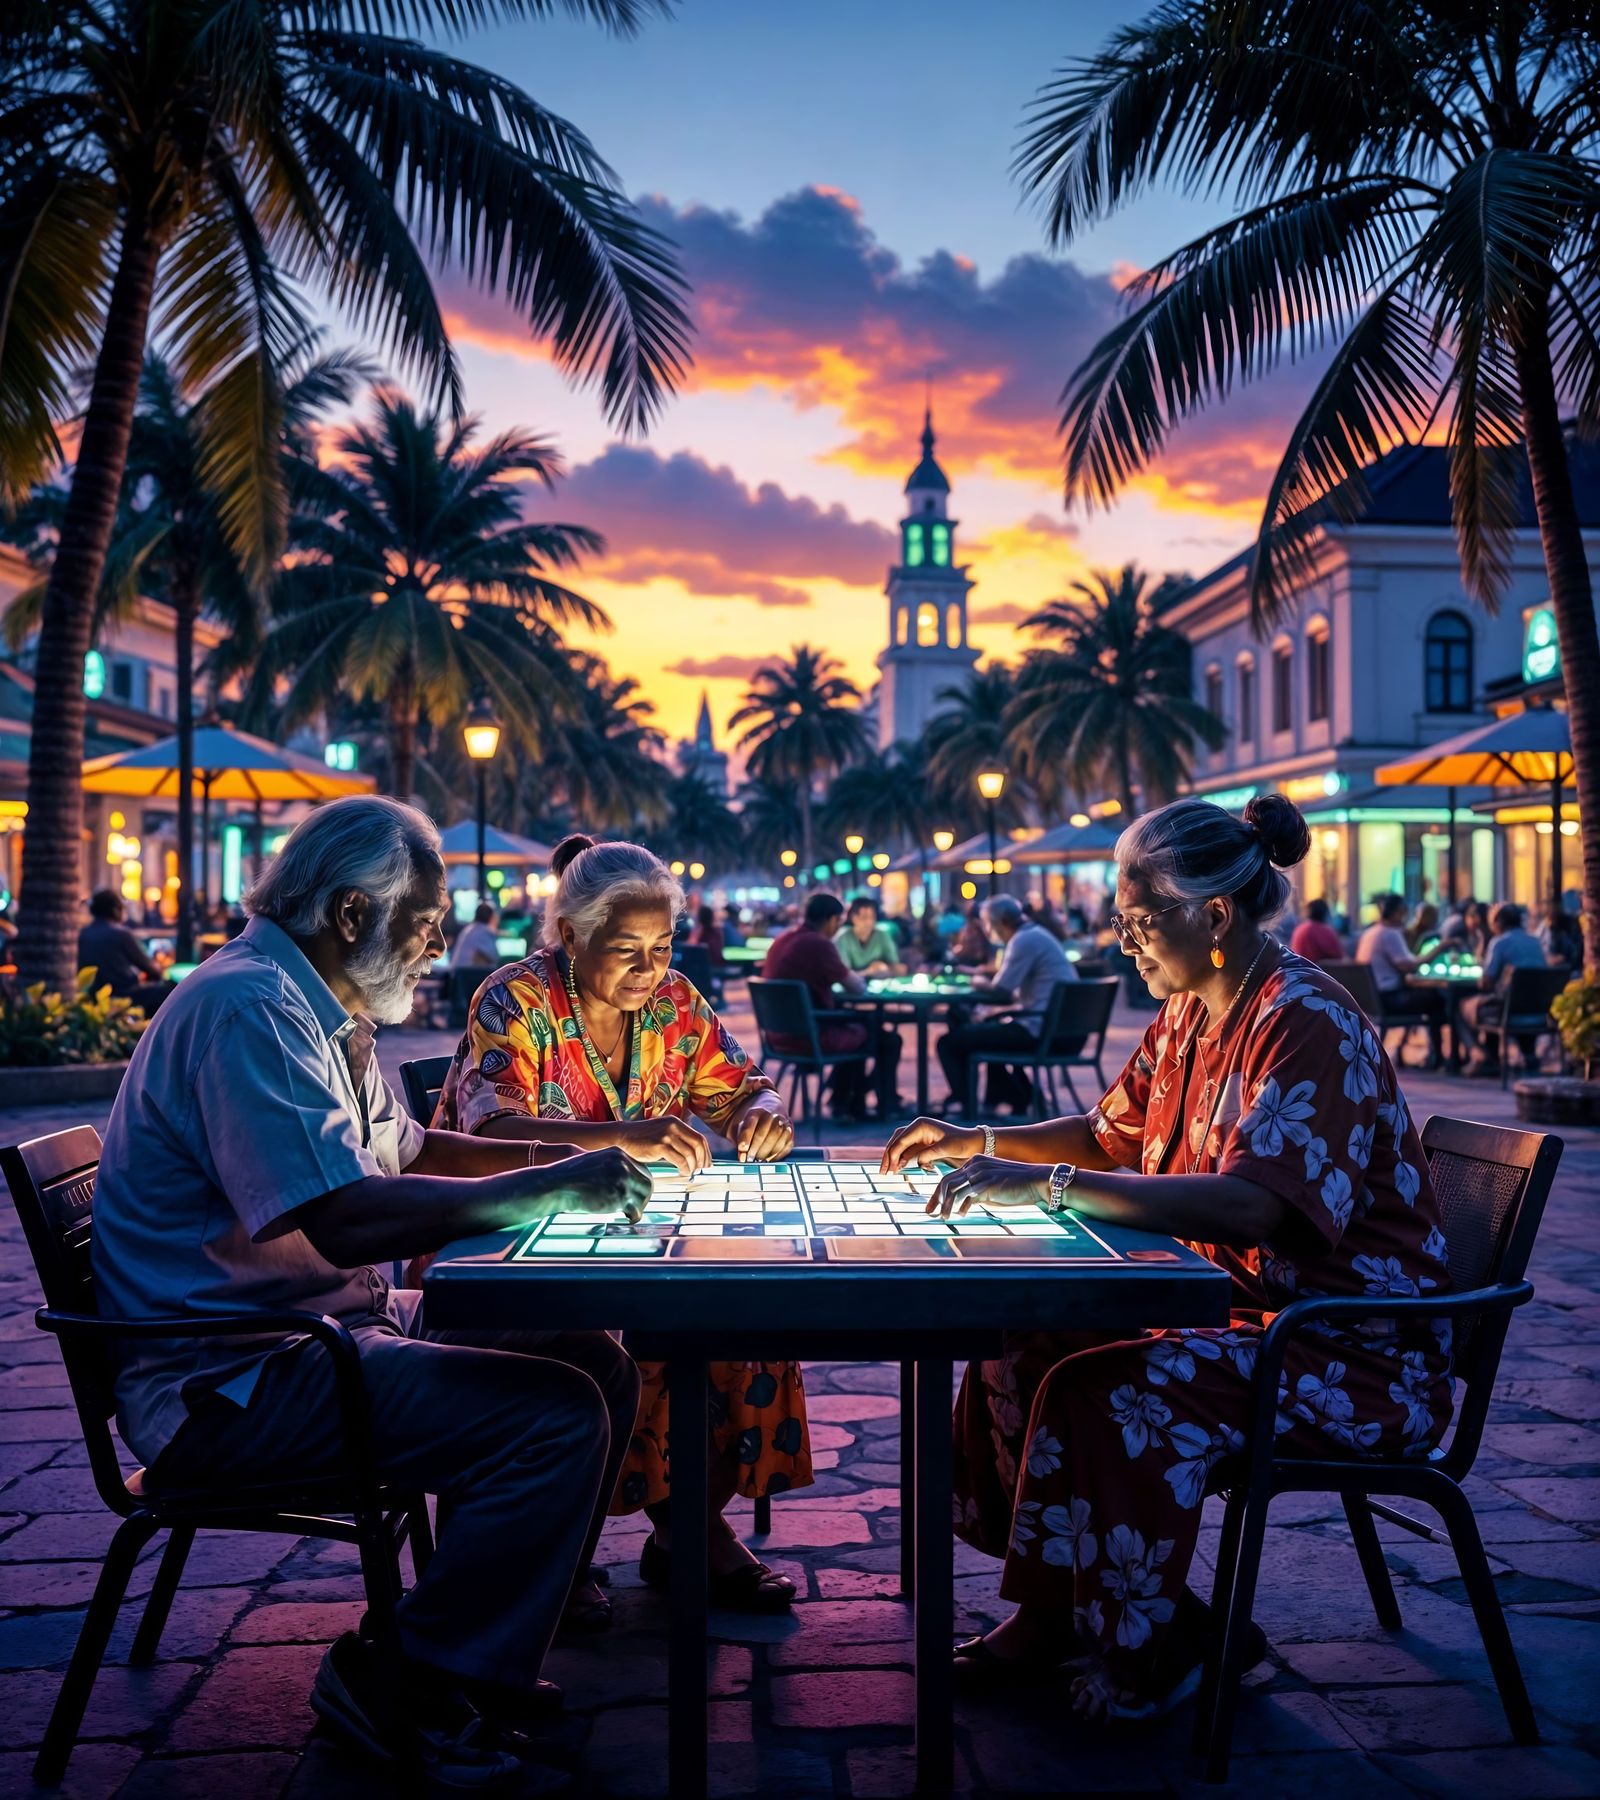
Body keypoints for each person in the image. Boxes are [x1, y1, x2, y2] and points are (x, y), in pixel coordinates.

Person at [91, 796, 650, 1789]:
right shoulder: (250, 1007)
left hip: (312, 1342)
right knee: (553, 1417)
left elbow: (413, 1149)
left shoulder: (318, 1001)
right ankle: (403, 1681)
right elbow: (344, 1216)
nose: (437, 947)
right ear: (352, 915)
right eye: (425, 925)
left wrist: (568, 1153)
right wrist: (551, 1186)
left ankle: (474, 1649)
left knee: (590, 1359)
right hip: (235, 1383)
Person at [881, 793, 1453, 1722]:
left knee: (1109, 1387)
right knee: (1027, 1335)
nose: (1126, 942)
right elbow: (1111, 1136)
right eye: (1122, 921)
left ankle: (1150, 1648)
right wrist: (977, 1138)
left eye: (1141, 921)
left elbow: (1258, 1204)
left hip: (1349, 1349)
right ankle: (1058, 1613)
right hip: (1242, 1311)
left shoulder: (1304, 1018)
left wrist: (1048, 1190)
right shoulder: (1190, 1009)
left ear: (1214, 914)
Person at [436, 835, 807, 1614]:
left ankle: (692, 1534)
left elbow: (744, 1088)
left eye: (662, 947)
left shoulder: (673, 1001)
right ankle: (552, 1556)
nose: (649, 970)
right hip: (497, 1242)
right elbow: (491, 1138)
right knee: (619, 1338)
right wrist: (620, 1137)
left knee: (739, 1315)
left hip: (631, 1234)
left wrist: (761, 1116)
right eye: (626, 949)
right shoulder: (514, 1000)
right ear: (570, 935)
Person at [762, 891, 902, 1118]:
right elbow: (856, 987)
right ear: (829, 920)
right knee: (885, 1039)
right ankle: (882, 1105)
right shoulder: (819, 943)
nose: (838, 927)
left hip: (778, 1034)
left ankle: (845, 1101)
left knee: (861, 1029)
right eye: (838, 921)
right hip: (809, 1036)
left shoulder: (784, 939)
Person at [937, 894, 1079, 1112]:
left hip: (1043, 1032)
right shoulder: (1036, 934)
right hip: (1063, 1030)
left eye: (986, 924)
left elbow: (1000, 991)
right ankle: (1010, 1097)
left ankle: (967, 1104)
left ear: (1001, 922)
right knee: (978, 1031)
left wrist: (977, 982)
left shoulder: (1022, 940)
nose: (986, 930)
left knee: (949, 1042)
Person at [1457, 902, 1553, 1074]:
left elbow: (1486, 981)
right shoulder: (1535, 941)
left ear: (1499, 922)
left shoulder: (1499, 942)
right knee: (1497, 1002)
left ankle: (1480, 1054)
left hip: (1508, 1011)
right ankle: (1526, 1055)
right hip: (1538, 1010)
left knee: (1460, 1006)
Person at [1356, 894, 1443, 1068]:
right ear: (1397, 913)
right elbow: (1408, 966)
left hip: (1372, 1000)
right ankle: (1439, 1058)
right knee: (1440, 1000)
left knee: (1432, 997)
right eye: (1404, 913)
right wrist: (1440, 948)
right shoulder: (1390, 934)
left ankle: (1435, 1055)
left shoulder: (1370, 933)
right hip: (1390, 999)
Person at [77, 889, 172, 1012]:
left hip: (92, 997)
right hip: (122, 996)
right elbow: (152, 970)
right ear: (115, 910)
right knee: (169, 991)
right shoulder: (121, 934)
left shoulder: (83, 933)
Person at [838, 893, 907, 976]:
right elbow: (844, 974)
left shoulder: (882, 936)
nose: (869, 922)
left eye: (872, 917)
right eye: (864, 917)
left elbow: (895, 965)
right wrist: (868, 971)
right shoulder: (844, 939)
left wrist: (884, 967)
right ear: (853, 917)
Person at [1289, 897, 1344, 965]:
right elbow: (1339, 958)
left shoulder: (1299, 929)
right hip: (1319, 973)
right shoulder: (1325, 931)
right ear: (1325, 914)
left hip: (1297, 972)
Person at [451, 900, 500, 969]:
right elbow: (494, 957)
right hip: (466, 975)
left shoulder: (470, 929)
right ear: (491, 917)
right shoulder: (484, 932)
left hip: (459, 974)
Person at [950, 903, 996, 970]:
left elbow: (993, 967)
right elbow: (959, 951)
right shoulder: (966, 932)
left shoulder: (992, 939)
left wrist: (974, 970)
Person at [1539, 903, 1584, 971]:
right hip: (1549, 967)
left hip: (1569, 969)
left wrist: (1562, 958)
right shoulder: (1546, 926)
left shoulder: (1569, 926)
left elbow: (1575, 951)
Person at [688, 901, 726, 968]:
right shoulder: (717, 932)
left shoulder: (699, 932)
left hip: (705, 969)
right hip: (717, 967)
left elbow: (690, 949)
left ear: (699, 918)